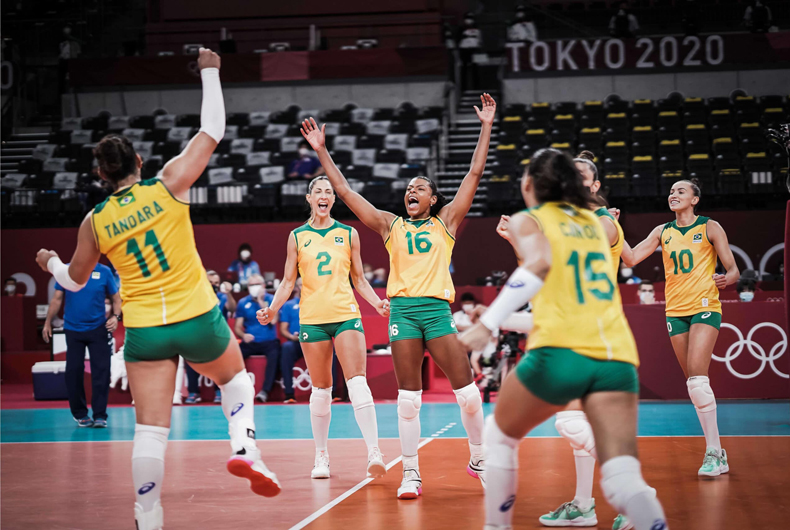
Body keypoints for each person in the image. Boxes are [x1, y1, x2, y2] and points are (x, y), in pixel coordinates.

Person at [35, 48, 281, 530]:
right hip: (197, 316)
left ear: (100, 176)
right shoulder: (168, 184)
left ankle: (148, 514)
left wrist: (50, 262)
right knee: (235, 382)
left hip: (146, 330)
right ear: (140, 161)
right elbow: (213, 130)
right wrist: (210, 70)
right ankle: (246, 449)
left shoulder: (96, 221)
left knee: (150, 431)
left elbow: (74, 280)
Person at [298, 92, 496, 499]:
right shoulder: (390, 225)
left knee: (469, 395)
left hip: (438, 312)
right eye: (409, 187)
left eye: (420, 188)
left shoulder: (447, 223)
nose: (412, 191)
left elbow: (474, 175)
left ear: (433, 199)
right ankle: (411, 473)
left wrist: (486, 126)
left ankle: (479, 458)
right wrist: (322, 152)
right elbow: (346, 192)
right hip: (403, 313)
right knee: (408, 401)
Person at [460, 148, 668, 530]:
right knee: (623, 473)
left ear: (529, 183)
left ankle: (496, 526)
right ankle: (644, 514)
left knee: (497, 436)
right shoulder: (598, 224)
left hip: (562, 350)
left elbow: (538, 267)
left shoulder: (533, 219)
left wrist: (488, 321)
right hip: (617, 356)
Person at [499, 150, 633, 529]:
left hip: (591, 332)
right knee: (579, 424)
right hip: (572, 327)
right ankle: (583, 504)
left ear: (593, 185)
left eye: (580, 175)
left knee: (571, 424)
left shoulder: (602, 221)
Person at [257, 176, 390, 479]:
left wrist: (377, 303)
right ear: (309, 198)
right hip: (312, 318)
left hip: (345, 314)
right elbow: (288, 281)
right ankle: (321, 456)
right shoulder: (297, 237)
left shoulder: (349, 233)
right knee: (321, 390)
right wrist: (272, 308)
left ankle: (374, 451)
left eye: (329, 192)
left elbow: (359, 279)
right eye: (318, 191)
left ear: (333, 199)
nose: (324, 196)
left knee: (357, 382)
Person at [621, 178, 739, 477]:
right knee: (694, 385)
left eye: (681, 191)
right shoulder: (663, 231)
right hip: (675, 312)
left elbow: (733, 268)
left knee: (698, 380)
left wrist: (728, 278)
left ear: (694, 199)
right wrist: (612, 229)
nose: (673, 195)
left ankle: (713, 452)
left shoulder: (710, 227)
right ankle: (719, 453)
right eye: (672, 191)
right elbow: (632, 257)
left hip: (704, 306)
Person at [42, 263, 121, 428]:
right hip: (73, 329)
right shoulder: (67, 270)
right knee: (73, 371)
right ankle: (80, 414)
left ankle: (100, 415)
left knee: (101, 372)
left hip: (99, 329)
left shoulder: (104, 272)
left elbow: (116, 298)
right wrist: (48, 322)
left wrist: (115, 316)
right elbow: (57, 298)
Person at [185, 270, 237, 404]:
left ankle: (219, 390)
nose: (213, 285)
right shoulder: (195, 296)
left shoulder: (222, 297)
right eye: (210, 282)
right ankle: (193, 392)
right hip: (198, 336)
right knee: (190, 354)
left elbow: (232, 308)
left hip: (217, 337)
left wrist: (229, 293)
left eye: (216, 283)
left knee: (219, 359)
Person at [235, 274, 282, 403]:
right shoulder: (243, 302)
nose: (253, 287)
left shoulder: (272, 299)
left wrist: (262, 302)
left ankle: (265, 392)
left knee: (275, 353)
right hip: (251, 342)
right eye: (251, 285)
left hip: (269, 342)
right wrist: (243, 335)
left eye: (256, 285)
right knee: (234, 354)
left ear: (263, 286)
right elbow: (237, 327)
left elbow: (273, 322)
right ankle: (233, 390)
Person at [278, 278, 303, 404]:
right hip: (296, 342)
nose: (303, 287)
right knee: (286, 348)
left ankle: (333, 393)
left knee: (330, 348)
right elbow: (283, 329)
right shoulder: (288, 305)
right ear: (296, 287)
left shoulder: (318, 302)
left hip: (314, 341)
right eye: (300, 285)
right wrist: (292, 337)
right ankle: (289, 394)